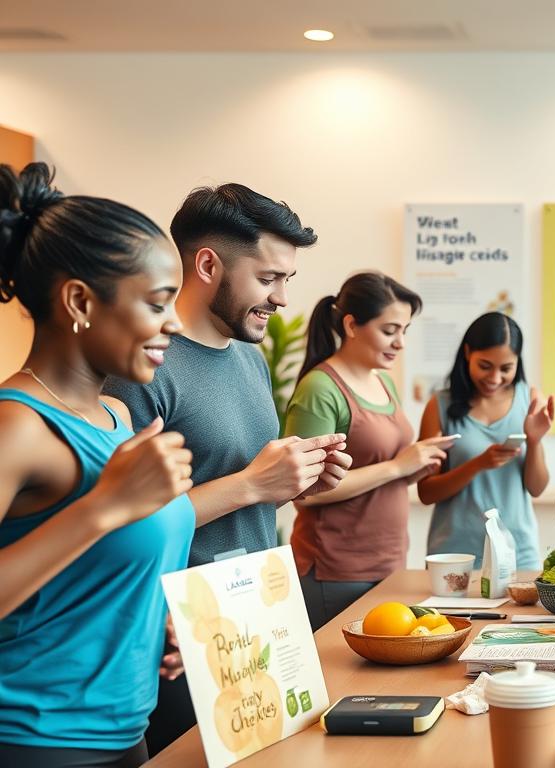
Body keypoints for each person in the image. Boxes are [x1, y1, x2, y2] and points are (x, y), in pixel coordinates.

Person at [103, 183, 351, 755]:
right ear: (208, 264)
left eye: (286, 279)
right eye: (268, 279)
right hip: (179, 636)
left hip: (259, 618)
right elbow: (121, 525)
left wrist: (296, 481)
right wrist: (251, 484)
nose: (284, 298)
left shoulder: (249, 355)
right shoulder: (145, 369)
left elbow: (244, 494)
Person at [0, 162, 195, 767]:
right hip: (37, 742)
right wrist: (104, 506)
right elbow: (99, 523)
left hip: (124, 732)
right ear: (80, 300)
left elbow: (93, 576)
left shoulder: (115, 416)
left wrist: (155, 623)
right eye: (159, 303)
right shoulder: (17, 426)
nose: (176, 322)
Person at [284, 272, 454, 629]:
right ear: (351, 325)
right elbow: (304, 492)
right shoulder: (321, 388)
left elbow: (372, 472)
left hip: (389, 562)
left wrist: (412, 471)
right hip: (337, 568)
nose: (400, 343)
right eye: (390, 330)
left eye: (404, 331)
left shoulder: (383, 381)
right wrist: (396, 468)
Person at [417, 312, 553, 570]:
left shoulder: (530, 400)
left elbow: (537, 488)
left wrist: (534, 442)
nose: (494, 378)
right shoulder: (440, 405)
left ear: (517, 362)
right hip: (453, 555)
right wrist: (477, 464)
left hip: (517, 553)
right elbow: (426, 492)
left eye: (506, 368)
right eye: (485, 366)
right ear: (468, 353)